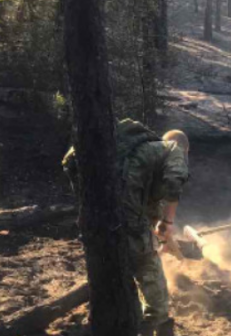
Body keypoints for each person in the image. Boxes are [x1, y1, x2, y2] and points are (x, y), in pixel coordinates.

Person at [62, 119, 190, 336]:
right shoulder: (173, 149)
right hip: (126, 220)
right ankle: (153, 324)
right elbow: (174, 182)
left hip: (97, 219)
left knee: (112, 273)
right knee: (149, 272)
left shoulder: (134, 153)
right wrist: (168, 223)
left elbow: (146, 204)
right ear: (187, 149)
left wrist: (161, 233)